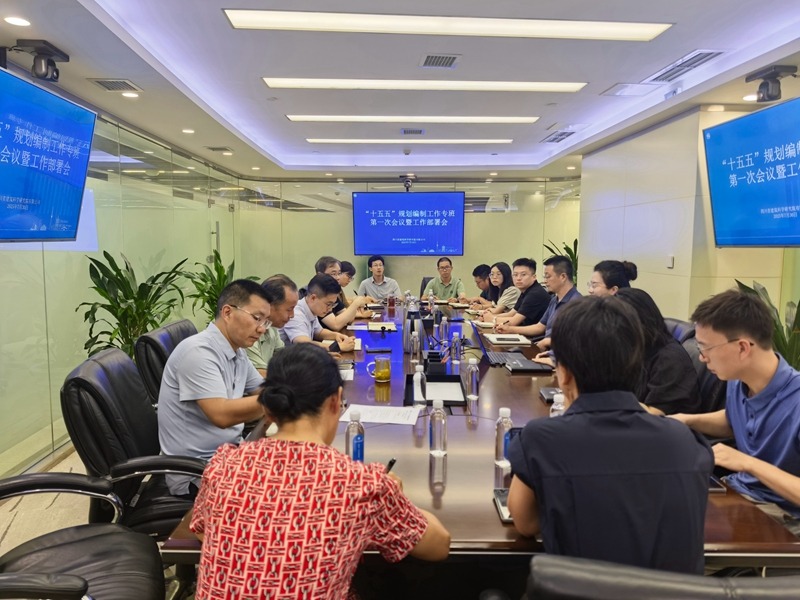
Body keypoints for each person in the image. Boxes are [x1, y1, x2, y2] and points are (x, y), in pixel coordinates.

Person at [190, 344, 451, 599]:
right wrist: (392, 496)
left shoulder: (223, 463)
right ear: (336, 401)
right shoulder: (362, 484)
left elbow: (201, 528)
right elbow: (439, 545)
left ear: (267, 408)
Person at [507, 296, 713, 573]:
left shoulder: (541, 438)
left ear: (564, 374)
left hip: (578, 589)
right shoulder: (684, 440)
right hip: (673, 590)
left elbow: (526, 524)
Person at [672, 289, 800, 519]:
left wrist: (748, 463)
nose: (702, 357)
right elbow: (734, 420)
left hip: (779, 515)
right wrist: (685, 420)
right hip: (735, 492)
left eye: (705, 348)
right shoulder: (737, 380)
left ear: (742, 347)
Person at [158, 279, 272, 497]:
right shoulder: (198, 353)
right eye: (257, 318)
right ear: (228, 312)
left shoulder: (237, 351)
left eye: (266, 322)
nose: (261, 329)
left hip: (228, 457)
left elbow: (262, 389)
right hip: (197, 473)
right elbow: (221, 415)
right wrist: (284, 396)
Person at [615, 288, 700, 415]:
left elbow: (656, 413)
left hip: (663, 424)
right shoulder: (632, 349)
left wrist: (609, 400)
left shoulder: (669, 359)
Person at [496, 256, 580, 351]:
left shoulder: (576, 304)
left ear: (563, 277)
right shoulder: (554, 300)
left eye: (548, 276)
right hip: (545, 350)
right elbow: (540, 327)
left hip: (558, 354)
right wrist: (510, 329)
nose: (545, 281)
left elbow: (572, 342)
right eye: (544, 277)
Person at [281, 274, 357, 352]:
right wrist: (337, 347)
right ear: (313, 298)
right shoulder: (296, 314)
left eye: (332, 305)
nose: (330, 309)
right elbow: (304, 344)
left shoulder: (311, 309)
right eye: (328, 304)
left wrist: (336, 335)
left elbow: (318, 332)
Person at [247, 274, 299, 376]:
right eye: (289, 309)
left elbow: (285, 361)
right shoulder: (247, 329)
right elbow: (261, 375)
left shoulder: (271, 327)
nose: (292, 315)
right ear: (270, 305)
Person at [480, 258, 548, 326]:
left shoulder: (535, 294)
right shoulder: (525, 291)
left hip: (532, 332)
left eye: (523, 274)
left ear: (534, 277)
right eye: (515, 275)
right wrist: (488, 317)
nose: (518, 278)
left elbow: (514, 321)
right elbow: (511, 314)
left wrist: (492, 319)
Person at [315, 257, 373, 330]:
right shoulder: (317, 294)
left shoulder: (331, 293)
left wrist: (356, 304)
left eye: (339, 273)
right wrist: (356, 303)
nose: (338, 277)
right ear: (320, 275)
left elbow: (349, 319)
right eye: (333, 274)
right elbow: (335, 325)